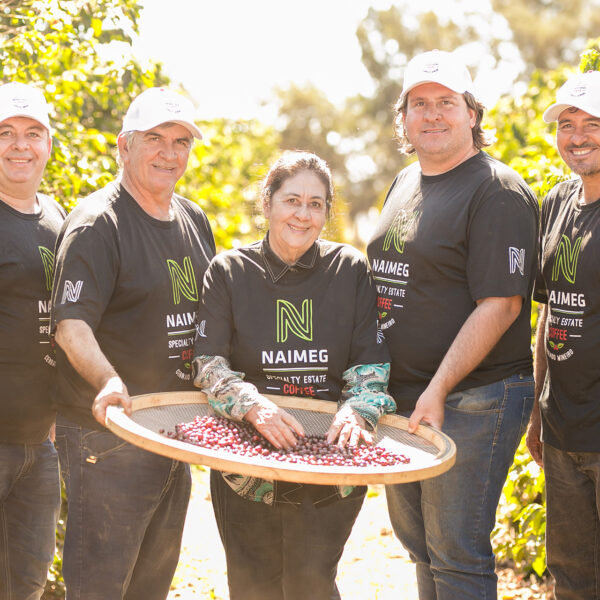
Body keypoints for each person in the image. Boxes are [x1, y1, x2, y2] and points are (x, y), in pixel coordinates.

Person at [366, 50, 539, 599]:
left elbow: (502, 305)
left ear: (472, 114)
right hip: (408, 399)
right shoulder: (405, 181)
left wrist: (438, 389)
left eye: (446, 103)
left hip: (471, 399)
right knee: (421, 546)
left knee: (457, 555)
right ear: (404, 118)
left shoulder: (496, 190)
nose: (432, 115)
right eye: (420, 104)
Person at [192, 150, 395, 600]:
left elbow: (370, 366)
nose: (303, 214)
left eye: (316, 203)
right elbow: (208, 364)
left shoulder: (349, 269)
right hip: (247, 462)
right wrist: (253, 405)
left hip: (328, 461)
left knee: (312, 583)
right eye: (291, 200)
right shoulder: (229, 271)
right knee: (252, 585)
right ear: (267, 204)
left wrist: (358, 410)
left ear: (327, 211)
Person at [50, 87, 216, 599]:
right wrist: (108, 379)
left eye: (181, 141)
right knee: (101, 587)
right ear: (124, 146)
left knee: (151, 586)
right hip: (110, 435)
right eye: (155, 139)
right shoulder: (99, 224)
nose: (170, 153)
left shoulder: (194, 220)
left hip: (173, 431)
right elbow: (70, 324)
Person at [526, 70, 600, 600]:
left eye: (593, 124)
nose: (577, 136)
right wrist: (536, 408)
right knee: (570, 576)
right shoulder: (554, 204)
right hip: (562, 427)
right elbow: (550, 314)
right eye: (567, 123)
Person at [0, 81, 64, 600]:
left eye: (32, 133)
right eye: (5, 133)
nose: (19, 145)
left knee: (29, 582)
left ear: (48, 144)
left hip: (40, 444)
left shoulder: (57, 219)